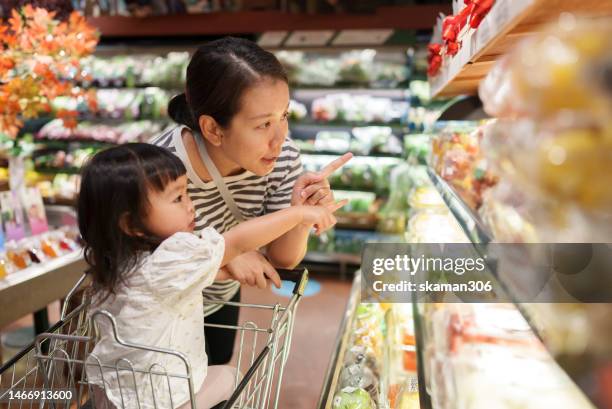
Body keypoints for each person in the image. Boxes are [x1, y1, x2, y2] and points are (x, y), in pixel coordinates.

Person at [78, 143, 345, 409]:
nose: (190, 206)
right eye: (178, 198)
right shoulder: (174, 252)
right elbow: (237, 242)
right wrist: (298, 213)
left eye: (187, 193)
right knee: (231, 377)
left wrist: (226, 270)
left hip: (115, 394)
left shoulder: (122, 261)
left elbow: (168, 284)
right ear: (130, 224)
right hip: (162, 400)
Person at [151, 36, 352, 365]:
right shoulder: (160, 166)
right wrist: (225, 258)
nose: (280, 137)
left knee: (214, 378)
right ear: (213, 129)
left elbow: (283, 259)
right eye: (263, 124)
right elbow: (141, 256)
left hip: (218, 300)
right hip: (160, 311)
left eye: (284, 116)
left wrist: (300, 212)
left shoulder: (282, 158)